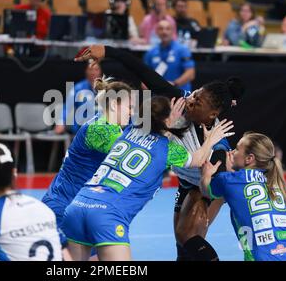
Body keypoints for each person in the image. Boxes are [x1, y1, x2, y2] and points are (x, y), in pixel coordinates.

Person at [74, 44, 245, 261]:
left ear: (211, 114)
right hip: (186, 180)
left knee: (188, 235)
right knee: (181, 246)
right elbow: (142, 70)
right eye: (194, 94)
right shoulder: (180, 100)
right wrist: (108, 51)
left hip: (208, 187)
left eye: (197, 102)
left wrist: (205, 193)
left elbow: (212, 187)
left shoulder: (218, 146)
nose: (190, 100)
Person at [61, 95, 234, 260]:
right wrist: (211, 139)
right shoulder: (167, 150)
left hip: (78, 205)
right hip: (107, 214)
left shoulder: (129, 130)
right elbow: (198, 159)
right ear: (167, 120)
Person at [43, 77, 134, 233]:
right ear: (114, 105)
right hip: (64, 207)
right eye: (129, 107)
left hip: (82, 207)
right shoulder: (100, 129)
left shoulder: (114, 126)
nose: (132, 112)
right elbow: (131, 157)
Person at [201, 132, 286, 261]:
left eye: (238, 149)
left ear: (249, 159)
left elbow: (206, 191)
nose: (233, 152)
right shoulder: (274, 181)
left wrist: (205, 176)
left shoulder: (228, 180)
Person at [144, 19, 196, 92]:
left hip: (180, 94)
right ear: (156, 32)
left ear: (173, 31)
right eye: (161, 29)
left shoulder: (183, 50)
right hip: (159, 96)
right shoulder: (150, 52)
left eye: (167, 29)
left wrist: (173, 84)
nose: (164, 32)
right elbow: (145, 75)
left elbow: (190, 74)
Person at [54, 62, 103, 135]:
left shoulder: (107, 88)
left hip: (102, 126)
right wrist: (61, 122)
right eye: (90, 69)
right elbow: (67, 107)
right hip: (82, 127)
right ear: (86, 71)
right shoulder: (78, 88)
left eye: (96, 69)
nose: (93, 72)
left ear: (100, 71)